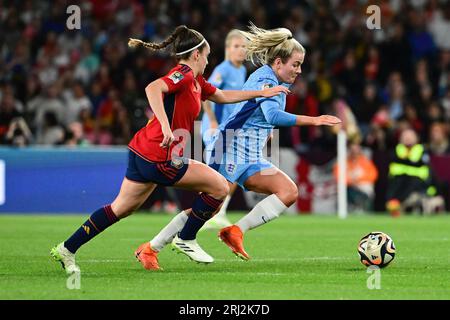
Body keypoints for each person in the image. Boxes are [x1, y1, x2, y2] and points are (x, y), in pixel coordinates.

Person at [50, 25, 290, 273]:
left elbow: (222, 95)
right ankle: (185, 238)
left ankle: (67, 248)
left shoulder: (196, 81)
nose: (208, 61)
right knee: (219, 187)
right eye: (207, 55)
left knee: (120, 208)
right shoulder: (184, 73)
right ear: (196, 54)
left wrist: (263, 93)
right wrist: (165, 126)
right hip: (160, 155)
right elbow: (153, 88)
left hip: (141, 151)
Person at [147, 24, 341, 267]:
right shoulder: (264, 78)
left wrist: (266, 130)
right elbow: (271, 114)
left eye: (301, 65)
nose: (300, 70)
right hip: (229, 146)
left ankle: (235, 231)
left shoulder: (274, 79)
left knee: (288, 191)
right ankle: (151, 247)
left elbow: (261, 113)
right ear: (279, 62)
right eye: (296, 64)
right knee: (209, 206)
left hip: (250, 154)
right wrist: (314, 119)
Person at [200, 29, 248, 230]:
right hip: (215, 128)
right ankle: (202, 214)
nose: (241, 50)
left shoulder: (242, 70)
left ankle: (218, 213)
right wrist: (211, 121)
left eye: (244, 46)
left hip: (230, 129)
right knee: (214, 173)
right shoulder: (223, 69)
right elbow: (206, 94)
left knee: (235, 169)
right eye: (236, 46)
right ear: (228, 49)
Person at [386, 128, 442, 216]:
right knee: (396, 185)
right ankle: (395, 204)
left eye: (410, 136)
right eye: (405, 136)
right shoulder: (395, 151)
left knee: (413, 183)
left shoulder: (422, 151)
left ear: (416, 138)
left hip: (417, 182)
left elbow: (428, 171)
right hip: (399, 182)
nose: (407, 138)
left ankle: (407, 203)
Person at [333, 139, 378, 212]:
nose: (354, 153)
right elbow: (338, 176)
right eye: (352, 150)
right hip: (349, 188)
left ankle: (363, 208)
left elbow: (373, 175)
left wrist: (358, 179)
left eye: (356, 150)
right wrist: (351, 181)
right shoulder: (344, 162)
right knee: (345, 190)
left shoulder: (365, 162)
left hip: (363, 189)